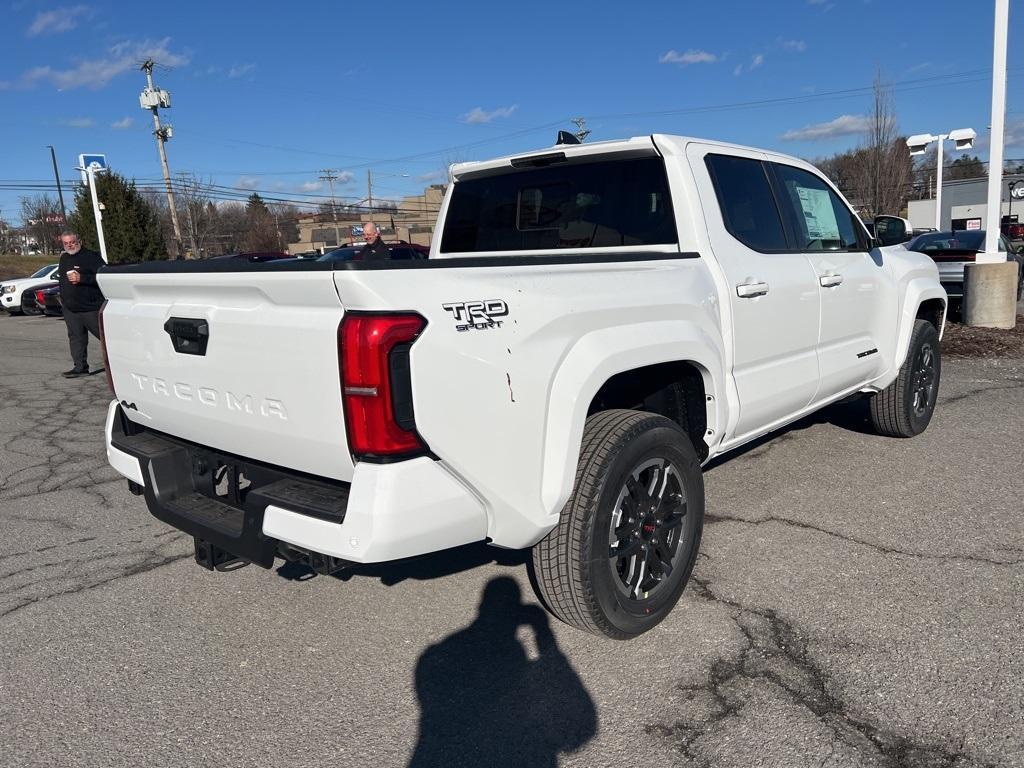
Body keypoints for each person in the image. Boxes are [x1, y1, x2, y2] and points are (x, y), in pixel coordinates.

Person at [57, 231, 105, 378]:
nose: (69, 245)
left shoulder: (91, 257)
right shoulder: (64, 258)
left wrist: (83, 278)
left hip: (90, 307)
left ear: (79, 241)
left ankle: (123, 363)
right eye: (66, 243)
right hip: (71, 308)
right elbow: (62, 280)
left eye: (72, 242)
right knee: (76, 338)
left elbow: (103, 276)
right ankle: (80, 367)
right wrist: (63, 299)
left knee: (105, 337)